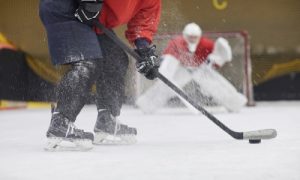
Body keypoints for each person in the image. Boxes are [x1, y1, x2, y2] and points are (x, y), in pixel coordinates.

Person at [39, 0, 161, 150]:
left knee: (115, 59)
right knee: (88, 61)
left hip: (93, 17)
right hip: (66, 8)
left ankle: (106, 119)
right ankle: (61, 122)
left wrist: (143, 49)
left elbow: (143, 20)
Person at [136, 23, 247, 114]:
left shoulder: (207, 44)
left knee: (217, 85)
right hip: (181, 69)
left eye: (195, 37)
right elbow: (169, 62)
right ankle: (146, 105)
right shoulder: (176, 43)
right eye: (190, 37)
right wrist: (166, 75)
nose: (193, 39)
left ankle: (235, 104)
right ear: (185, 35)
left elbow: (216, 60)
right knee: (165, 86)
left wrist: (215, 59)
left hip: (200, 69)